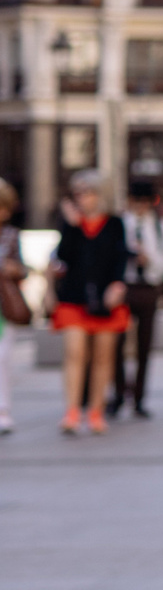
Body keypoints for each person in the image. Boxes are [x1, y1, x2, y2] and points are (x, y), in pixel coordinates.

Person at [50, 171, 133, 438]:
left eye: (87, 192)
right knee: (74, 353)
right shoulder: (72, 224)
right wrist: (73, 227)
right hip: (74, 298)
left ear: (100, 194)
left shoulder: (114, 223)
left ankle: (96, 411)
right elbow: (64, 256)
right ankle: (72, 411)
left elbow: (120, 257)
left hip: (105, 300)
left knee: (102, 357)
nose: (81, 198)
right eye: (77, 193)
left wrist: (118, 285)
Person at [109, 183, 163, 419]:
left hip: (149, 286)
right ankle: (119, 392)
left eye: (144, 202)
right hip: (124, 287)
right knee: (116, 343)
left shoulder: (162, 227)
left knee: (145, 344)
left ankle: (139, 397)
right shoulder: (120, 224)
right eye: (136, 201)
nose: (139, 207)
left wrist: (150, 261)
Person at [0, 180, 25, 435]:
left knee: (2, 358)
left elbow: (23, 269)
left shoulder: (11, 235)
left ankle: (3, 409)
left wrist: (13, 269)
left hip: (4, 307)